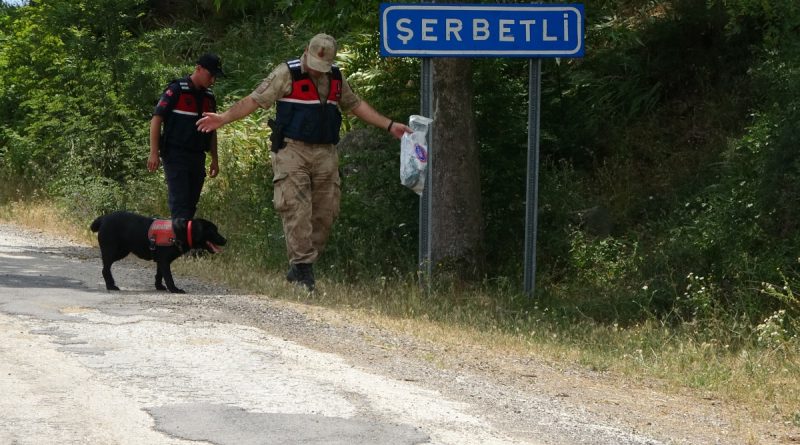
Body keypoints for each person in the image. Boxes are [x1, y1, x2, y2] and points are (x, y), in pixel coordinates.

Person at [196, 34, 411, 291]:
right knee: (296, 207)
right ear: (306, 51)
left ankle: (302, 265)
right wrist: (222, 118)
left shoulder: (336, 77)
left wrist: (389, 125)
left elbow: (355, 105)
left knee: (326, 212)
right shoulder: (286, 73)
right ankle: (302, 269)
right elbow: (254, 100)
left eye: (323, 67)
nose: (317, 71)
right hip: (292, 150)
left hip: (326, 151)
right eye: (314, 64)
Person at [149, 53, 224, 220]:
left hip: (197, 156)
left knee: (191, 205)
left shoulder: (209, 97)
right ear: (198, 69)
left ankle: (183, 234)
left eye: (215, 77)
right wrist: (154, 152)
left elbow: (212, 130)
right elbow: (156, 119)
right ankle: (178, 235)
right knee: (180, 204)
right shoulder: (176, 90)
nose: (213, 80)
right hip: (175, 154)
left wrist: (215, 159)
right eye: (210, 75)